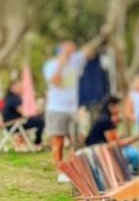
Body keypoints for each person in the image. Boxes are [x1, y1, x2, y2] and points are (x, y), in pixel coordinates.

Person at [44, 33, 105, 179]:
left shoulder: (75, 61)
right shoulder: (50, 65)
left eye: (72, 50)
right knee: (58, 141)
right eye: (67, 50)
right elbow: (55, 81)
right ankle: (60, 170)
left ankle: (75, 169)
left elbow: (88, 50)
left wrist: (101, 34)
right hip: (56, 108)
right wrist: (61, 64)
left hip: (72, 109)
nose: (70, 53)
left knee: (76, 140)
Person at [85, 95, 139, 172]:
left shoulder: (105, 118)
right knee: (133, 154)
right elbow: (115, 144)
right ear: (111, 107)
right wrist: (137, 137)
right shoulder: (105, 120)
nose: (119, 109)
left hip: (99, 150)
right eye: (117, 106)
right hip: (97, 153)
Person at [1, 76, 44, 146]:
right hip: (14, 125)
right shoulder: (13, 98)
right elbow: (24, 112)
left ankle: (37, 142)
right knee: (40, 121)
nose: (22, 88)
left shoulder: (10, 98)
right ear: (13, 87)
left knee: (38, 119)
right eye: (20, 87)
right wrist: (36, 110)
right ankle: (37, 143)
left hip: (13, 124)